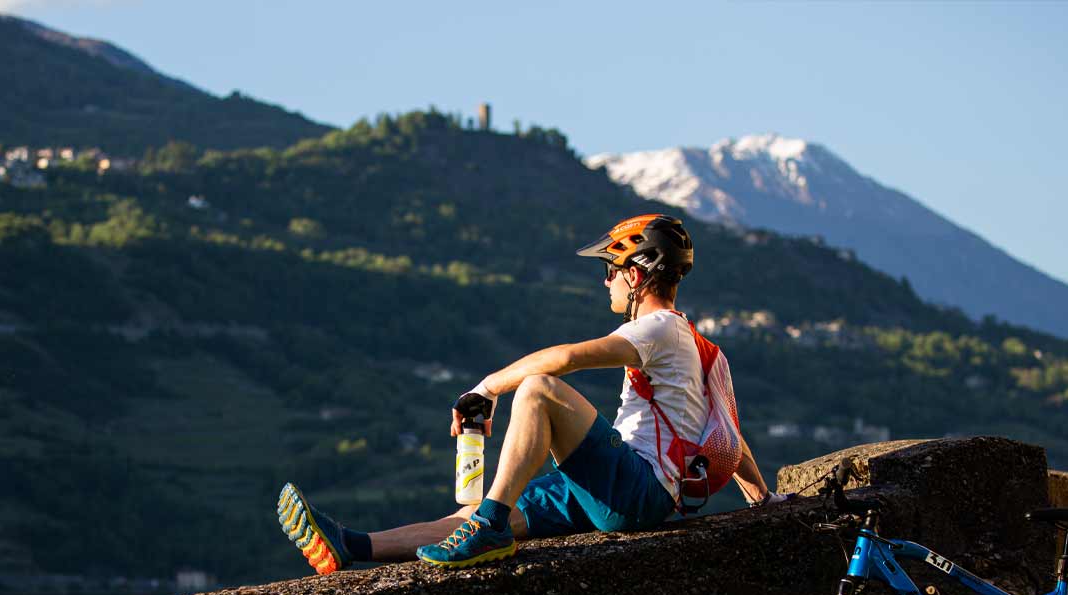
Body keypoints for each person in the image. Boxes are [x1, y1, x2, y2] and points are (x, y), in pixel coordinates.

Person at [277, 214, 781, 574]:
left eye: (610, 269)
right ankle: (352, 546)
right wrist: (764, 500)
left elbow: (564, 361)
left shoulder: (660, 329)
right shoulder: (691, 342)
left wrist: (488, 386)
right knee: (467, 518)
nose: (605, 281)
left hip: (636, 490)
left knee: (540, 390)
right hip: (619, 489)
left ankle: (491, 526)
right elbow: (727, 437)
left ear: (635, 273)